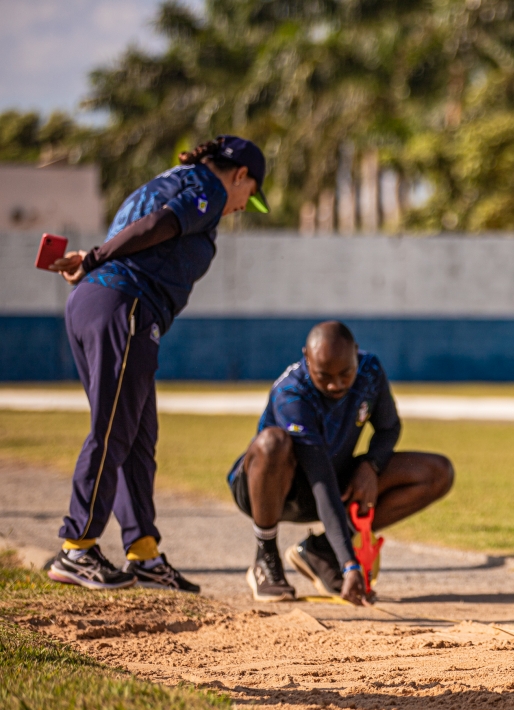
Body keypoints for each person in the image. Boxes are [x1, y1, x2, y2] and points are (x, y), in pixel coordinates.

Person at [45, 136, 270, 593]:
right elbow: (160, 225)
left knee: (137, 436)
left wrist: (92, 260)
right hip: (123, 305)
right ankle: (77, 548)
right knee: (113, 431)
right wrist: (95, 258)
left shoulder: (171, 180)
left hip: (104, 301)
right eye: (250, 195)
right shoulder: (208, 187)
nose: (244, 206)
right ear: (240, 175)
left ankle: (143, 553)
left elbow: (145, 229)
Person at [228, 321, 454, 605]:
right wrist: (349, 563)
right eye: (324, 375)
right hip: (272, 490)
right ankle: (266, 556)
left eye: (345, 373)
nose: (336, 384)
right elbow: (320, 479)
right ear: (306, 358)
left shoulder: (369, 371)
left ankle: (321, 552)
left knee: (437, 473)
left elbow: (389, 428)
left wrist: (370, 466)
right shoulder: (291, 393)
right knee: (272, 443)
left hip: (333, 480)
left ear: (356, 353)